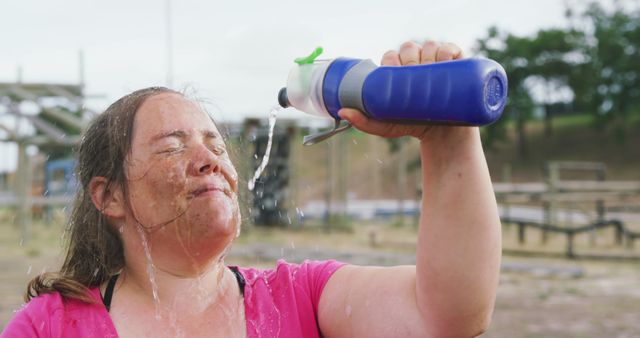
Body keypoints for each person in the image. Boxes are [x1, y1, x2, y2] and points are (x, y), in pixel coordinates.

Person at [1, 40, 501, 338]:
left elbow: (447, 315)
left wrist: (448, 139)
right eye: (173, 146)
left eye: (216, 146)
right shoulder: (52, 325)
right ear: (108, 197)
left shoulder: (300, 297)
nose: (209, 161)